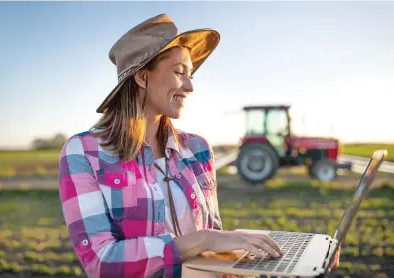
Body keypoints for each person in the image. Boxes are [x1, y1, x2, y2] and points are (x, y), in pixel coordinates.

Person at [58, 13, 339, 278]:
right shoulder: (84, 152)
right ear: (142, 76)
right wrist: (205, 239)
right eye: (179, 72)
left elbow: (214, 244)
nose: (190, 86)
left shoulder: (198, 149)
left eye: (191, 73)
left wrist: (279, 259)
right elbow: (102, 262)